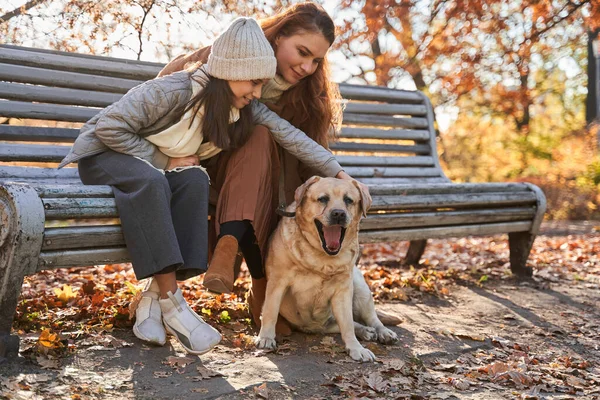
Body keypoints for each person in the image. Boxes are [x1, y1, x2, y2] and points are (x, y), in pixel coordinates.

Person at [58, 17, 344, 354]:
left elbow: (291, 137)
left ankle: (150, 303)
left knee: (195, 178)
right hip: (105, 156)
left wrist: (339, 174)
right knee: (154, 181)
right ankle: (174, 305)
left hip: (146, 166)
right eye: (253, 83)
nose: (256, 94)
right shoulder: (174, 90)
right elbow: (109, 129)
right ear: (230, 71)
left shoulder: (240, 106)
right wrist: (164, 161)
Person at [158, 2, 368, 335]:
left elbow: (305, 146)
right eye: (302, 52)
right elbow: (166, 89)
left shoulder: (306, 95)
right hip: (202, 173)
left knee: (260, 138)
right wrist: (171, 156)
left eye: (317, 60)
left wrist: (334, 186)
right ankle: (253, 278)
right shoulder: (230, 54)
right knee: (258, 134)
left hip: (260, 187)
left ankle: (242, 264)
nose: (307, 67)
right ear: (278, 35)